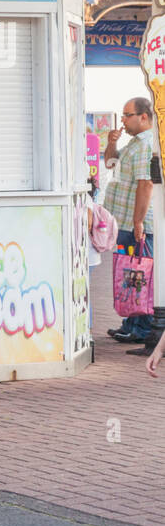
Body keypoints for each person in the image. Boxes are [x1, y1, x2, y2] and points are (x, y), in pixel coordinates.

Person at [104, 97, 156, 344]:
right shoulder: (134, 143)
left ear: (143, 116)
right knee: (131, 275)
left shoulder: (147, 145)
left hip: (134, 223)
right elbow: (110, 163)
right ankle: (131, 324)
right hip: (124, 221)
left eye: (127, 115)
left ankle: (142, 329)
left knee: (140, 276)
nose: (122, 120)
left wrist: (138, 222)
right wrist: (112, 144)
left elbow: (145, 185)